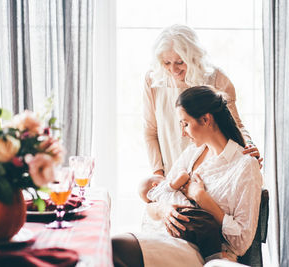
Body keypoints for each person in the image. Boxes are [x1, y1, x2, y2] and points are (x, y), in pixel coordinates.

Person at [113, 86, 263, 267]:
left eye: (185, 123)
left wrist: (202, 198)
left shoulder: (245, 166)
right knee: (112, 245)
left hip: (204, 251)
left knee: (116, 247)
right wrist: (164, 210)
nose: (183, 133)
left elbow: (241, 243)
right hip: (167, 235)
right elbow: (152, 205)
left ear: (206, 119)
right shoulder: (193, 152)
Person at [143, 24, 261, 177]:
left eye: (180, 62)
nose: (173, 69)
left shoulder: (216, 78)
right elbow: (150, 131)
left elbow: (235, 124)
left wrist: (249, 145)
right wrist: (158, 173)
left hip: (212, 171)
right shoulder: (154, 80)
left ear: (193, 57)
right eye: (167, 63)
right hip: (171, 170)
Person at [138, 173, 223, 259]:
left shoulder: (156, 198)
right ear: (155, 184)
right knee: (207, 225)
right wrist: (183, 172)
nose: (166, 178)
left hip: (173, 223)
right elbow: (183, 177)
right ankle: (214, 257)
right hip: (184, 213)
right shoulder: (163, 187)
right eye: (163, 178)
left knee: (195, 236)